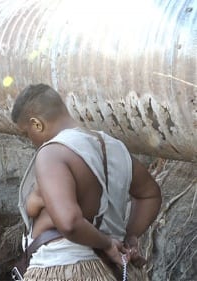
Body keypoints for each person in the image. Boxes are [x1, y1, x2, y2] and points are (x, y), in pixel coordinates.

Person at [10, 84, 161, 280]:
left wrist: (107, 244)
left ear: (37, 124)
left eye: (26, 133)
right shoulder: (116, 148)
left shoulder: (52, 152)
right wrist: (129, 237)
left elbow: (70, 223)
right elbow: (150, 194)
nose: (29, 139)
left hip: (64, 268)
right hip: (113, 270)